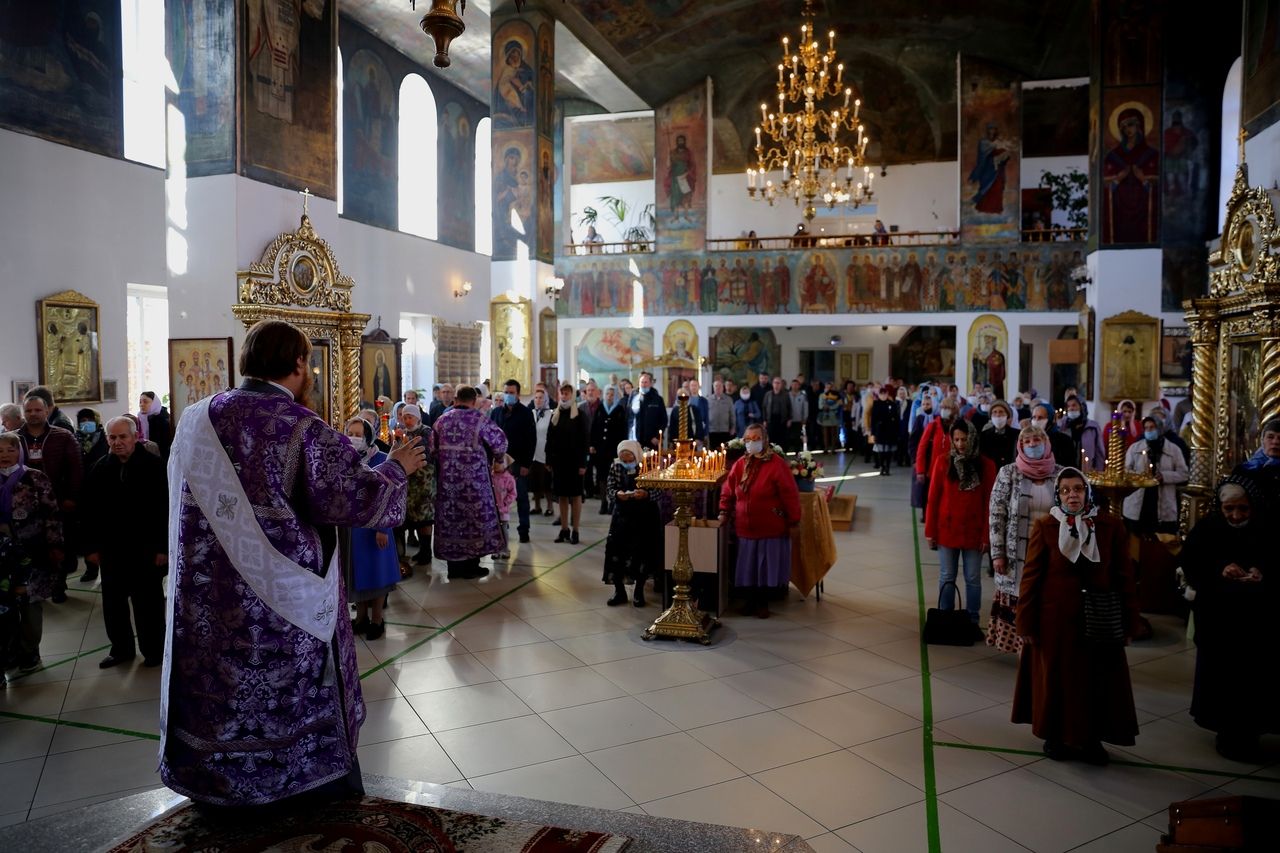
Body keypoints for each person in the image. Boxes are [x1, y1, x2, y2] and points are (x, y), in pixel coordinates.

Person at [163, 320, 425, 808]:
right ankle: (296, 781)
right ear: (300, 363)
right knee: (286, 687)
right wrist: (396, 468)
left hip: (208, 595)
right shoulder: (301, 427)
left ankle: (214, 781)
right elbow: (352, 498)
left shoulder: (197, 416)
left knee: (221, 688)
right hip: (283, 599)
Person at [1013, 468, 1140, 765]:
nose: (1072, 495)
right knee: (1057, 679)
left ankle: (1091, 739)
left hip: (1098, 618)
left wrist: (1130, 622)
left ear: (1087, 493)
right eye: (1066, 490)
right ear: (1058, 495)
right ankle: (1056, 736)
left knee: (1096, 680)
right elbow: (1031, 577)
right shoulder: (1046, 526)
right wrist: (1025, 622)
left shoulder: (1110, 527)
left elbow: (1124, 577)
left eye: (1078, 489)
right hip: (1055, 620)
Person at [1184, 477, 1275, 760]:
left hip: (1256, 621)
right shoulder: (1208, 529)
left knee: (1253, 679)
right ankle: (1226, 732)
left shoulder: (1267, 529)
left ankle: (1250, 731)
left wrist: (1261, 572)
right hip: (1219, 620)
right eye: (1229, 509)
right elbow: (1192, 563)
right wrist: (1220, 569)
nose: (1236, 516)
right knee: (1222, 678)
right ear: (1220, 507)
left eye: (1243, 509)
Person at [81, 417, 169, 669]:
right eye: (112, 437)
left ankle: (154, 650)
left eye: (123, 437)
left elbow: (164, 510)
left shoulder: (154, 466)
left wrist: (163, 548)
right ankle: (121, 649)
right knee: (113, 604)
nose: (117, 442)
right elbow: (88, 512)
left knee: (148, 604)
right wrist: (90, 548)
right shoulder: (99, 468)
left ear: (135, 437)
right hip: (111, 549)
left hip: (146, 549)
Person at [988, 425, 1064, 653]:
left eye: (1037, 440)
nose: (1032, 445)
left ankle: (1043, 649)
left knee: (1046, 597)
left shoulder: (1061, 474)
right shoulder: (1008, 472)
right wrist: (997, 553)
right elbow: (996, 514)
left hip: (1050, 551)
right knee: (1022, 599)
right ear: (1020, 446)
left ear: (1046, 443)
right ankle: (1024, 652)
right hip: (1016, 552)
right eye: (1027, 441)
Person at [719, 423, 801, 618]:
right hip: (745, 527)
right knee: (748, 567)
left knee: (765, 567)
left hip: (769, 526)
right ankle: (749, 601)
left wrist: (794, 520)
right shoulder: (741, 463)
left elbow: (790, 494)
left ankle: (763, 602)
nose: (751, 443)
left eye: (755, 439)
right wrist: (724, 510)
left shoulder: (777, 464)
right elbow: (729, 489)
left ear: (765, 440)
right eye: (747, 439)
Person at [0, 432, 62, 679]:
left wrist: (55, 545)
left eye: (10, 449)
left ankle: (30, 652)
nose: (5, 455)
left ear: (20, 451)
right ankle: (9, 652)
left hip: (32, 551)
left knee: (30, 603)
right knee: (4, 606)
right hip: (2, 556)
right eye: (0, 451)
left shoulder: (35, 477)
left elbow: (52, 514)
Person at [926, 419, 996, 633]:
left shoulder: (986, 465)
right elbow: (933, 498)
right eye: (956, 439)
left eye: (964, 439)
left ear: (972, 438)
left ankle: (972, 620)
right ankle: (945, 616)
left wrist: (987, 536)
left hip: (974, 531)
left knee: (973, 578)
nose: (960, 444)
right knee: (947, 575)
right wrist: (930, 531)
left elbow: (990, 503)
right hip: (947, 529)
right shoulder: (943, 462)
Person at [431, 385, 508, 579]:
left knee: (452, 522)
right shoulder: (480, 419)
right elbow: (500, 443)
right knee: (473, 523)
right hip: (475, 485)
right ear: (474, 401)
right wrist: (498, 460)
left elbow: (432, 449)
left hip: (447, 485)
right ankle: (471, 567)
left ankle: (453, 569)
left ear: (455, 399)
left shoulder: (441, 421)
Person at [18, 391, 81, 603]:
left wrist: (72, 496)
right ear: (23, 412)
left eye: (38, 410)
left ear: (47, 411)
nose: (33, 414)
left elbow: (76, 469)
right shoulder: (15, 438)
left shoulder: (63, 436)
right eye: (29, 410)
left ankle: (58, 585)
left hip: (58, 500)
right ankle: (33, 586)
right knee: (31, 546)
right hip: (25, 503)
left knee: (59, 544)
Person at [341, 418, 399, 641]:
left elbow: (391, 496)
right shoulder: (346, 459)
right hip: (353, 527)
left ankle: (377, 620)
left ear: (368, 436)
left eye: (359, 434)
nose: (354, 438)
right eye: (350, 433)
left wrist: (382, 528)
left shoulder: (382, 459)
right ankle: (361, 618)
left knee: (377, 574)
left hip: (376, 527)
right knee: (358, 574)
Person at [602, 440, 662, 607]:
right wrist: (617, 494)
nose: (627, 463)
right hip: (622, 515)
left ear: (636, 455)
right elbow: (610, 488)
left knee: (642, 553)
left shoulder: (649, 466)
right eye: (624, 460)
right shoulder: (616, 466)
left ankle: (639, 591)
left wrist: (646, 494)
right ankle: (619, 591)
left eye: (630, 459)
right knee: (617, 552)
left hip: (644, 516)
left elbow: (659, 490)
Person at [1121, 415, 1189, 535]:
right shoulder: (1135, 448)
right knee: (1136, 537)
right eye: (1146, 428)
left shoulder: (1173, 449)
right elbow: (1126, 470)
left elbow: (1184, 474)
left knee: (1161, 539)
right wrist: (1141, 476)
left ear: (1160, 428)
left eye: (1152, 427)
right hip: (1139, 500)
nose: (1149, 431)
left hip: (1163, 500)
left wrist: (1165, 476)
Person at [491, 380, 535, 544]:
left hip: (518, 462)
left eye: (511, 392)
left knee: (521, 497)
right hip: (499, 463)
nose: (508, 395)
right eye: (506, 392)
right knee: (498, 499)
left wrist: (526, 464)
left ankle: (524, 530)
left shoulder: (525, 413)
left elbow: (531, 440)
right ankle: (501, 531)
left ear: (518, 394)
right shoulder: (496, 412)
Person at [546, 384, 589, 544]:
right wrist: (549, 459)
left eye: (567, 394)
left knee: (576, 495)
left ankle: (575, 530)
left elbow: (584, 440)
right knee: (562, 496)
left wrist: (583, 463)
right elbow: (550, 439)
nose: (564, 396)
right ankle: (564, 529)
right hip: (559, 462)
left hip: (575, 463)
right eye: (562, 394)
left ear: (572, 395)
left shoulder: (579, 415)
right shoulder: (555, 414)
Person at [397, 405, 436, 566]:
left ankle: (426, 551)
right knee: (414, 516)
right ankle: (416, 550)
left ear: (418, 418)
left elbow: (426, 452)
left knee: (424, 517)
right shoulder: (402, 432)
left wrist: (407, 444)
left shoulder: (426, 432)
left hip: (424, 480)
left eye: (410, 417)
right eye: (404, 417)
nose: (407, 420)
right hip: (409, 481)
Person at [914, 398, 958, 522]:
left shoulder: (957, 427)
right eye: (943, 407)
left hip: (951, 470)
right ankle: (927, 516)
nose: (944, 410)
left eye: (947, 408)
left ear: (953, 410)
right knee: (930, 496)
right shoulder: (932, 426)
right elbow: (921, 449)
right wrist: (920, 470)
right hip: (932, 471)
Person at [591, 386, 627, 514]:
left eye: (612, 394)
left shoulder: (619, 410)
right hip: (601, 449)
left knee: (614, 477)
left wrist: (622, 448)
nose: (609, 397)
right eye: (607, 394)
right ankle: (603, 503)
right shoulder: (600, 408)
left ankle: (613, 502)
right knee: (602, 476)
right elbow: (594, 428)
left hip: (614, 450)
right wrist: (592, 444)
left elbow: (623, 430)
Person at [1233, 417, 1280, 508]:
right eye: (1270, 437)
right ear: (1262, 440)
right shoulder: (1243, 470)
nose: (1275, 442)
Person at [1058, 396, 1104, 470]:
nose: (1071, 408)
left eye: (1074, 405)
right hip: (1067, 470)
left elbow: (1099, 452)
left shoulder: (1092, 427)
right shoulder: (1063, 427)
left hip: (1087, 470)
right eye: (1068, 406)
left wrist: (1099, 471)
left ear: (1082, 407)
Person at [628, 372, 668, 449]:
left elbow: (663, 420)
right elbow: (629, 418)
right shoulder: (634, 398)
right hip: (636, 440)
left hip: (653, 440)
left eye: (646, 382)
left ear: (650, 384)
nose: (644, 385)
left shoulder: (658, 399)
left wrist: (657, 437)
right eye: (642, 382)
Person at [530, 388, 554, 516]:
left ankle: (550, 506)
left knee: (546, 482)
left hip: (545, 453)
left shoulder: (551, 414)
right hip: (532, 453)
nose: (538, 400)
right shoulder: (531, 413)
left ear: (545, 400)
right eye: (536, 397)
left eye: (541, 398)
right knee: (535, 482)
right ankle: (537, 506)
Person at [491, 455, 517, 561]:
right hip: (492, 510)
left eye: (499, 462)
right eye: (494, 462)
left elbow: (513, 493)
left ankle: (505, 549)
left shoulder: (509, 478)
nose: (496, 464)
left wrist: (506, 502)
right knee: (494, 530)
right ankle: (496, 550)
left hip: (503, 509)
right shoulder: (490, 476)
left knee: (504, 529)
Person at [979, 400, 1018, 469]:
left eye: (1001, 412)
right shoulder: (984, 435)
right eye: (995, 412)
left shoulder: (1016, 434)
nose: (998, 415)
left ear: (1007, 415)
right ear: (991, 416)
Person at [870, 385, 899, 476]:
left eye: (885, 394)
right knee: (881, 450)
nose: (883, 395)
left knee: (888, 450)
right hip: (879, 430)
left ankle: (888, 467)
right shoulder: (876, 404)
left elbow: (896, 418)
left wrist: (896, 430)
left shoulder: (892, 404)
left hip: (890, 430)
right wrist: (873, 432)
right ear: (879, 395)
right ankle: (882, 467)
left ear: (887, 394)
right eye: (881, 394)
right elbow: (873, 419)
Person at [138, 391, 172, 459]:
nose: (141, 404)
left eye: (145, 402)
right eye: (140, 402)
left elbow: (164, 446)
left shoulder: (163, 420)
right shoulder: (140, 417)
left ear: (154, 403)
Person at [706, 379, 735, 452]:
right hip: (712, 430)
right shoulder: (708, 399)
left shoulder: (728, 400)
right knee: (712, 451)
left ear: (723, 387)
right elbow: (705, 415)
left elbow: (732, 415)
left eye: (720, 386)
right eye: (716, 386)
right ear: (713, 387)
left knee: (724, 451)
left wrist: (733, 427)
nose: (718, 388)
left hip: (724, 430)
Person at [818, 382, 843, 453]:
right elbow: (820, 405)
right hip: (825, 415)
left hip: (834, 415)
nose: (828, 389)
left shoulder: (836, 395)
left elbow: (838, 404)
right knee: (825, 433)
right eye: (827, 387)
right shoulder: (822, 395)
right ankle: (826, 448)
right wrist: (824, 407)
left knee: (833, 433)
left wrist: (830, 407)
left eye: (830, 387)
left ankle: (833, 448)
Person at [786, 378, 809, 452]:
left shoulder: (802, 396)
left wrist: (804, 418)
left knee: (798, 437)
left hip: (799, 420)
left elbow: (805, 407)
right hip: (789, 420)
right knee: (787, 436)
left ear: (799, 386)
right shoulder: (787, 395)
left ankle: (797, 452)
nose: (794, 386)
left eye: (796, 385)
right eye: (793, 385)